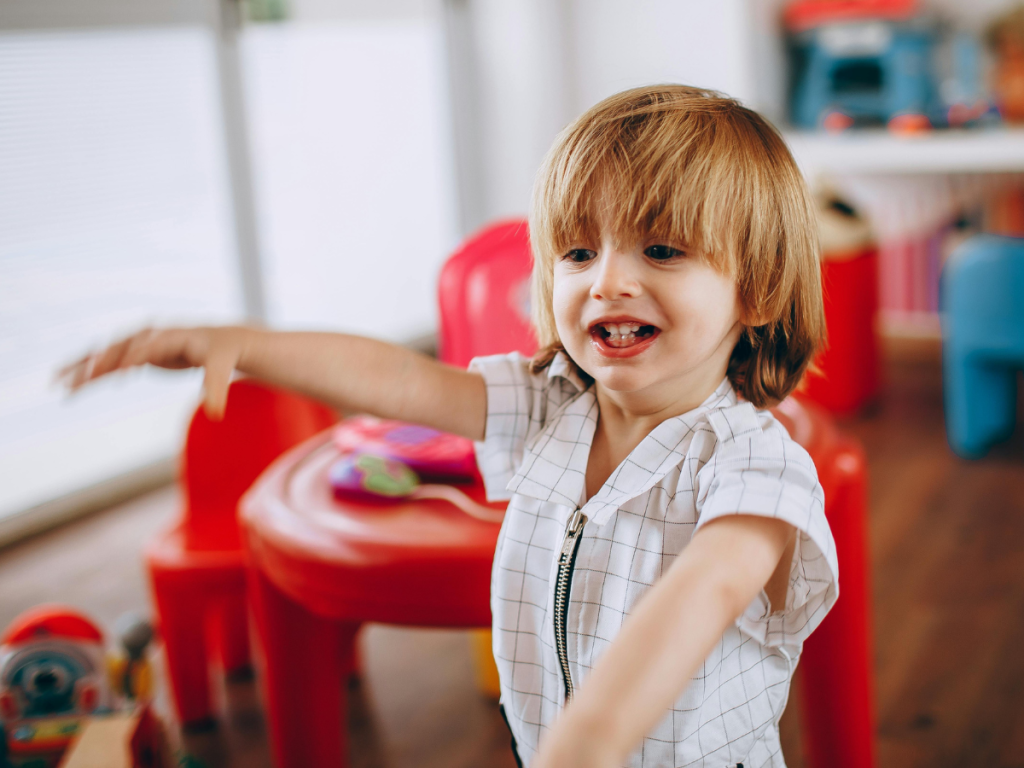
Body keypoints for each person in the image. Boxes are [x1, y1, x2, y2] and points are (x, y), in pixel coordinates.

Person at [60, 85, 838, 768]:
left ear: (759, 291)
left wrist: (592, 739)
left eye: (661, 250)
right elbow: (401, 379)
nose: (608, 281)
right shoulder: (550, 404)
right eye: (577, 251)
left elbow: (707, 589)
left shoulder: (754, 468)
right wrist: (241, 345)